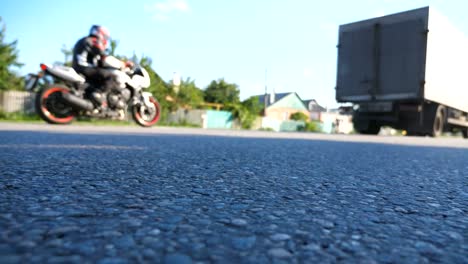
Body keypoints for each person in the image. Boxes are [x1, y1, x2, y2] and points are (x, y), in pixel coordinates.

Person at [72, 25, 132, 102]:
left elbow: (99, 61)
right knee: (111, 76)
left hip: (79, 67)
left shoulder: (85, 40)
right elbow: (104, 58)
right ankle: (99, 95)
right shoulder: (93, 41)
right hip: (84, 67)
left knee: (100, 75)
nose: (105, 40)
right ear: (101, 34)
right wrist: (122, 64)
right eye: (105, 37)